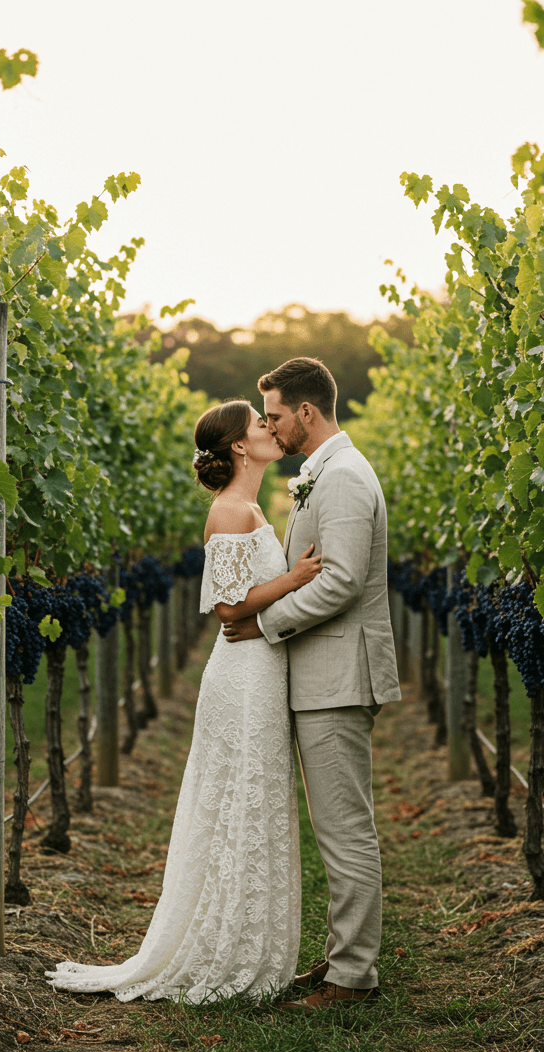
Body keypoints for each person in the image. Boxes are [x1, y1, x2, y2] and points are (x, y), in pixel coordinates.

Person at [46, 399, 321, 1003]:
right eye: (258, 425)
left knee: (256, 797)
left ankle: (254, 943)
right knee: (237, 798)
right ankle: (224, 949)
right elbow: (228, 608)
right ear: (240, 448)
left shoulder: (249, 506)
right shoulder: (228, 512)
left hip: (260, 667)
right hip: (243, 674)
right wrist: (294, 580)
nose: (269, 430)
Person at [222, 357, 400, 1013]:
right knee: (337, 827)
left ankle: (353, 976)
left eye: (274, 415)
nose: (270, 426)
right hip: (325, 674)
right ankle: (342, 957)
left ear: (307, 410)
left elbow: (343, 580)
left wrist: (265, 621)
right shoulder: (326, 474)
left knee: (346, 829)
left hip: (338, 676)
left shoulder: (346, 477)